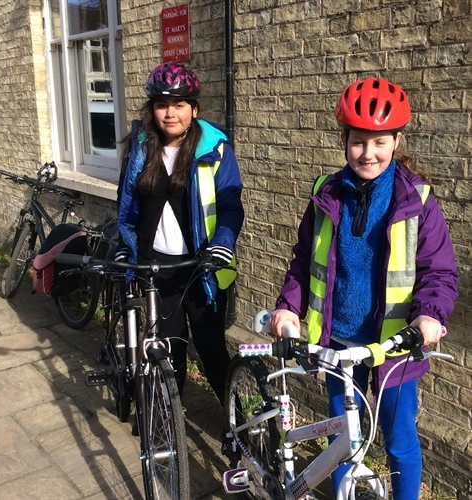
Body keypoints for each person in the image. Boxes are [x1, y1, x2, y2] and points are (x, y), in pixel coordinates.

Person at [269, 77, 459, 500]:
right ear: (344, 140)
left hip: (394, 348)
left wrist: (430, 314)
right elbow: (304, 261)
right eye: (358, 142)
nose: (367, 154)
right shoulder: (326, 194)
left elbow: (440, 272)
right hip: (338, 343)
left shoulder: (418, 201)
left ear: (395, 141)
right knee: (344, 444)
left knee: (399, 443)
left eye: (378, 143)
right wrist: (287, 308)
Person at [114, 62, 244, 406]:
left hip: (202, 268)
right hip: (157, 269)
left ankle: (239, 424)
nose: (170, 113)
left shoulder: (215, 150)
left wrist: (222, 244)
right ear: (152, 108)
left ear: (194, 109)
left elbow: (231, 204)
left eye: (179, 105)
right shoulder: (140, 148)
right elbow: (127, 208)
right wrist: (124, 248)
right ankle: (168, 426)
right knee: (170, 351)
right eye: (161, 105)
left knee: (212, 349)